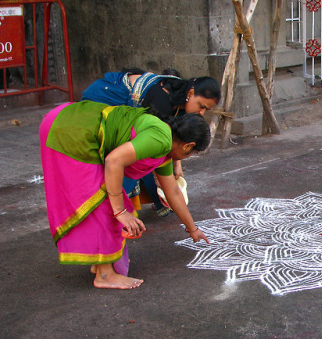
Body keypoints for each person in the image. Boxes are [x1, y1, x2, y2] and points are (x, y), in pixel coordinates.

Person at [39, 100, 210, 289]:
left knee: (108, 201)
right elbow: (114, 161)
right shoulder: (160, 139)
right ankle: (104, 275)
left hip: (69, 121)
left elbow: (173, 192)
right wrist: (120, 211)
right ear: (188, 146)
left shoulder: (165, 146)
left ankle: (100, 262)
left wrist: (192, 229)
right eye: (189, 154)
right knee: (107, 205)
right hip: (71, 129)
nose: (184, 159)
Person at [81, 68, 221, 216]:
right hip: (102, 101)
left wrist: (177, 165)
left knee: (152, 159)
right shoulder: (161, 103)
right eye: (201, 106)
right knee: (135, 161)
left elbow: (176, 140)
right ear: (191, 93)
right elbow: (155, 151)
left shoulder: (181, 103)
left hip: (138, 127)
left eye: (206, 110)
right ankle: (108, 209)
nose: (201, 113)